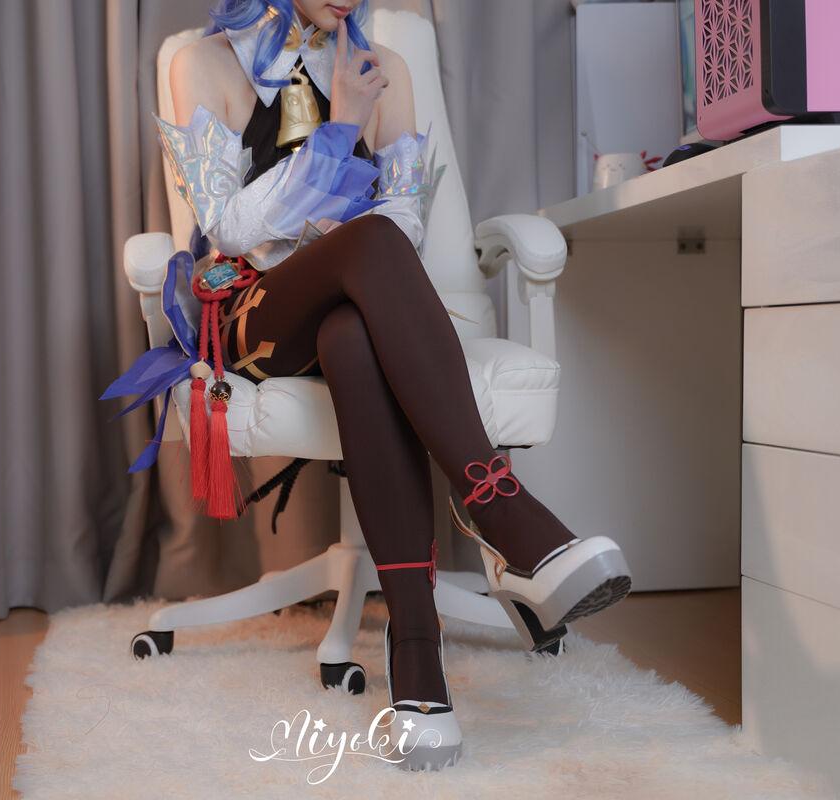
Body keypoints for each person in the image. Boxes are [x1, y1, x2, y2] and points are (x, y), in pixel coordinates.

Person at [116, 0, 632, 771]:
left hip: (355, 308)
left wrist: (345, 230)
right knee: (367, 249)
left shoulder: (381, 67)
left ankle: (416, 652)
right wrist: (340, 133)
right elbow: (227, 228)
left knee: (354, 332)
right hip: (255, 314)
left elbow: (405, 218)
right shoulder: (207, 63)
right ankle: (500, 510)